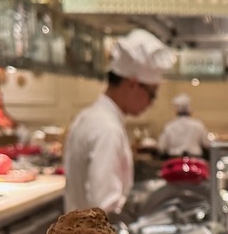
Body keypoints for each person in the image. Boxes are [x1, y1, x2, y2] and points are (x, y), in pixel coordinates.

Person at [63, 29, 175, 214]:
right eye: (152, 94)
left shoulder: (88, 116)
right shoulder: (108, 129)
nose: (151, 103)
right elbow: (105, 207)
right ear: (133, 84)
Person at [157, 93, 210, 157]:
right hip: (195, 160)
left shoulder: (169, 126)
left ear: (176, 111)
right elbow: (207, 144)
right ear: (190, 110)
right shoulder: (198, 125)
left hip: (174, 161)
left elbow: (162, 147)